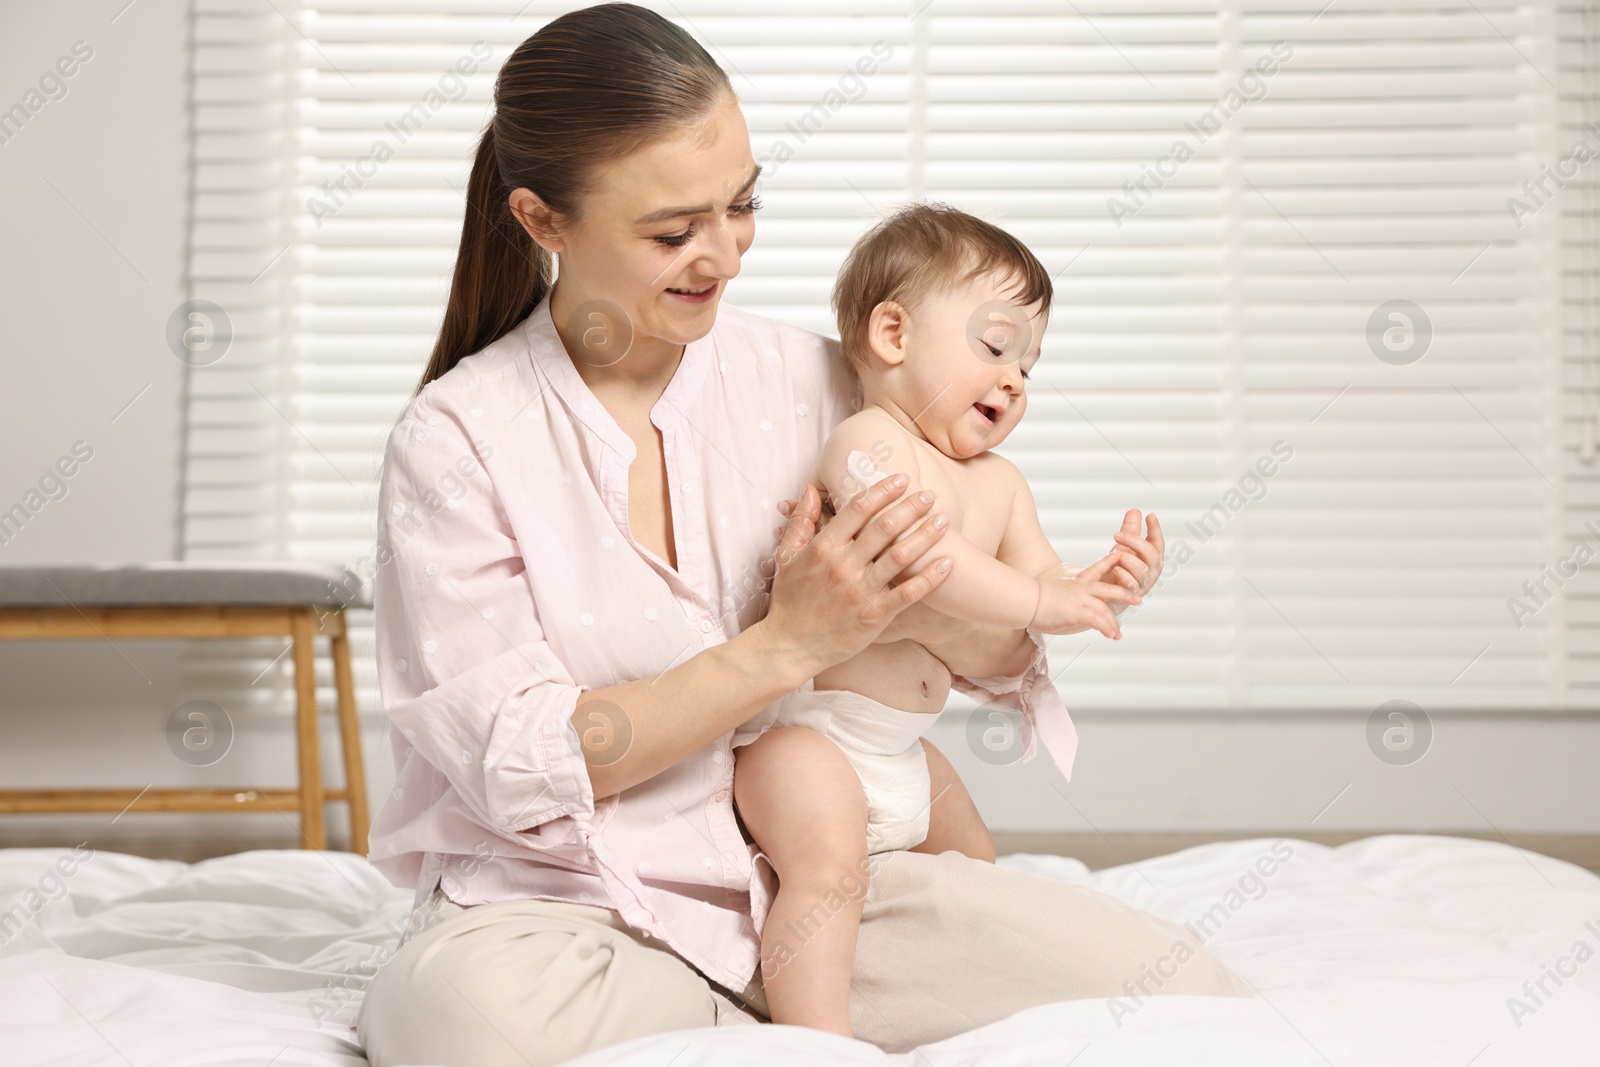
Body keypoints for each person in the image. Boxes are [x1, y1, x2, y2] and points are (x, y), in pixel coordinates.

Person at [355, 6, 1250, 1067]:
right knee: (465, 1016)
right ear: (543, 221)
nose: (722, 254)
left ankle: (759, 1019)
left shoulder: (823, 386)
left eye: (741, 205)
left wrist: (1009, 602)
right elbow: (521, 761)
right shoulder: (458, 437)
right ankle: (778, 1029)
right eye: (671, 230)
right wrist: (791, 641)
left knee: (1182, 990)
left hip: (824, 885)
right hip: (566, 909)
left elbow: (993, 648)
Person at [729, 201, 1147, 1038]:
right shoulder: (865, 444)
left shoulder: (1002, 483)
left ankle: (944, 998)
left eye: (1030, 363)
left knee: (976, 868)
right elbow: (934, 564)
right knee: (827, 869)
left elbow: (1033, 584)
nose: (1016, 378)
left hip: (897, 746)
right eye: (996, 347)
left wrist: (1096, 583)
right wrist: (1042, 600)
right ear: (892, 334)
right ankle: (816, 1038)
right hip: (813, 738)